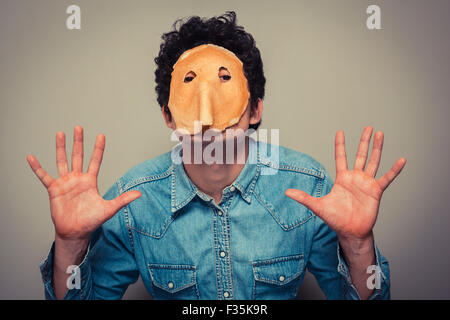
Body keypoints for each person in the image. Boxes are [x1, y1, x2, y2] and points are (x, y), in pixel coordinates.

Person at [27, 11, 406, 300]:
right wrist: (70, 245)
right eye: (189, 83)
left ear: (256, 110)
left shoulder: (308, 187)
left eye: (226, 80)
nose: (208, 114)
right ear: (169, 116)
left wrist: (358, 246)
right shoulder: (132, 201)